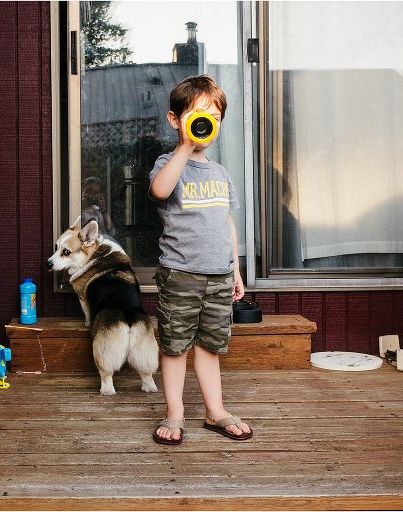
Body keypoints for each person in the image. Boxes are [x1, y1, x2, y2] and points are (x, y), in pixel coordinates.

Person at [148, 75, 252, 445]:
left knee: (210, 346)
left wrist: (236, 269)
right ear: (175, 120)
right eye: (196, 115)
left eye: (214, 118)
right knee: (174, 346)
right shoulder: (169, 163)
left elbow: (226, 223)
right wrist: (183, 148)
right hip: (181, 274)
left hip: (219, 275)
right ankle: (175, 413)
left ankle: (215, 411)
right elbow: (160, 190)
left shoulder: (221, 173)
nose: (207, 123)